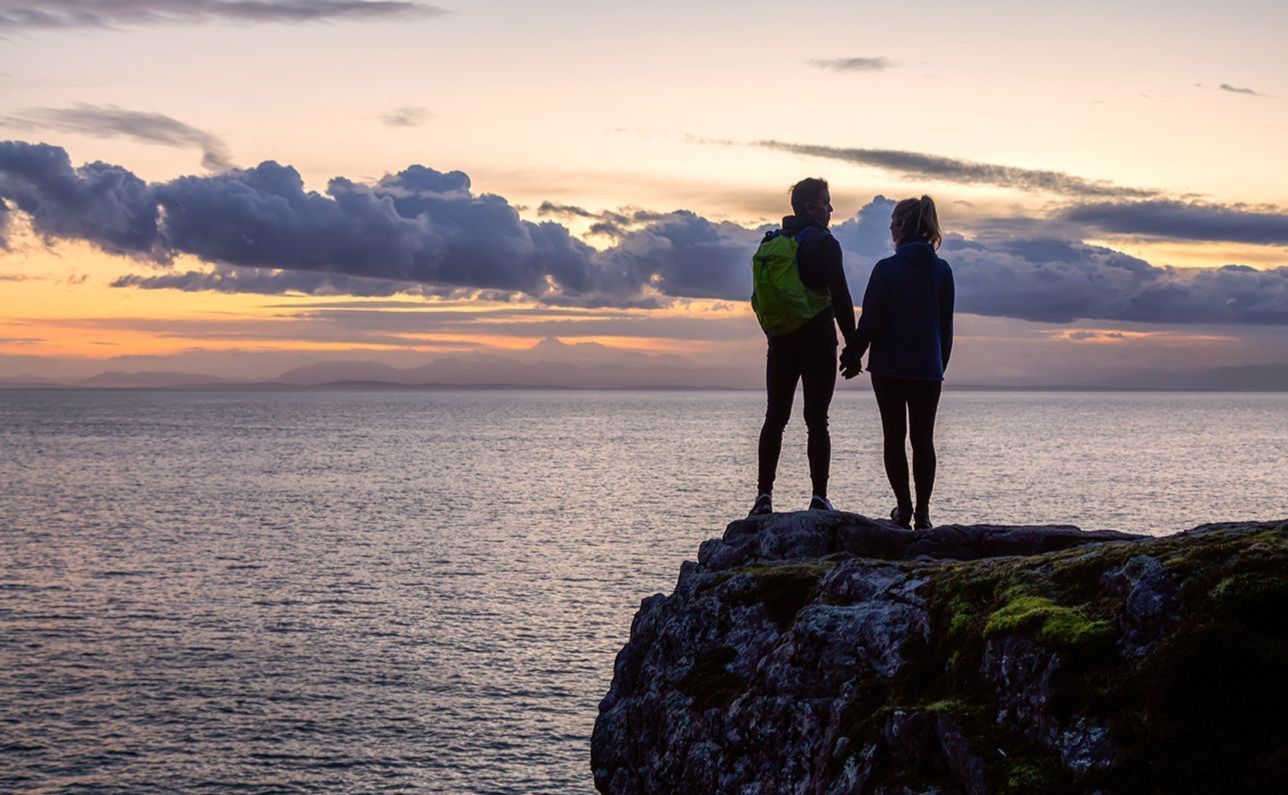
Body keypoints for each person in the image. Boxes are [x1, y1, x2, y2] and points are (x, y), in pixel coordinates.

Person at [840, 196, 954, 530]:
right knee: (923, 440)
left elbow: (871, 323)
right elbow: (945, 329)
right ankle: (924, 513)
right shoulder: (943, 271)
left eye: (893, 221)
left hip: (889, 367)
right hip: (928, 369)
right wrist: (938, 365)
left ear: (903, 226)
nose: (889, 226)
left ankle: (903, 509)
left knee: (894, 437)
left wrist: (852, 355)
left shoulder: (886, 269)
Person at [748, 178, 857, 517]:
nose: (831, 209)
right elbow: (840, 296)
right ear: (811, 207)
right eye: (826, 202)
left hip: (780, 343)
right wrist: (853, 347)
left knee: (775, 418)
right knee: (816, 421)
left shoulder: (774, 242)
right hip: (817, 342)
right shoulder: (824, 243)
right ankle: (819, 498)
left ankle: (763, 497)